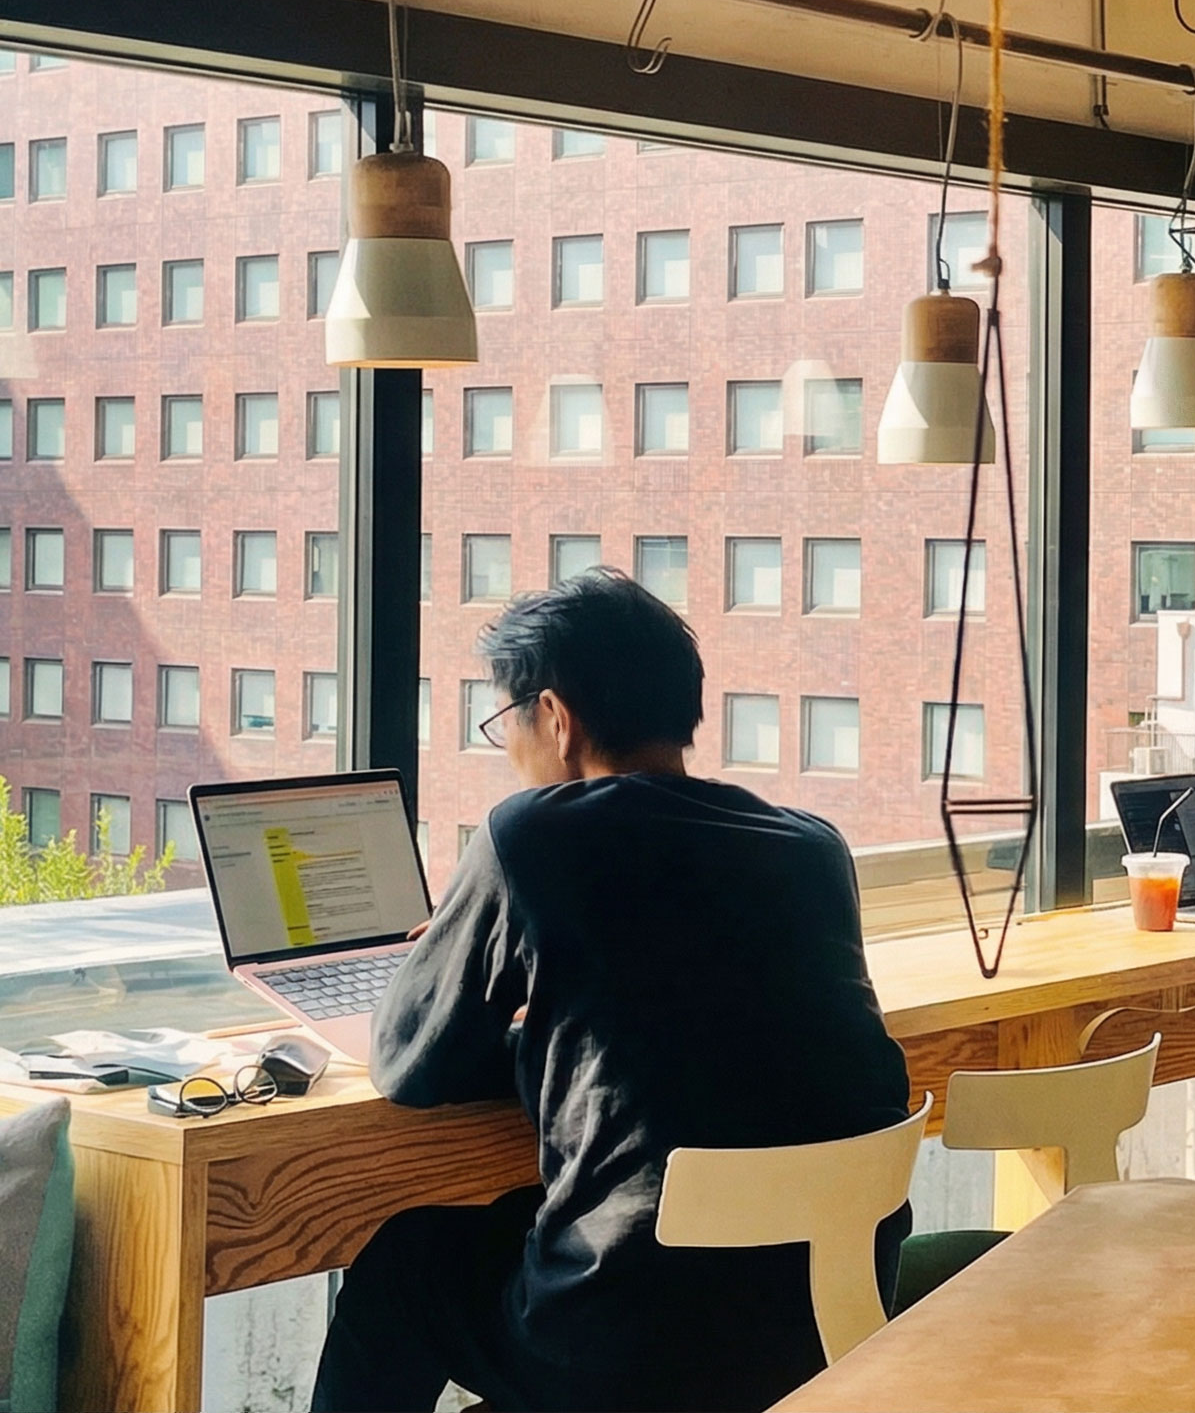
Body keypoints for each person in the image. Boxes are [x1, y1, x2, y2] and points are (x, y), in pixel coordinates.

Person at [310, 571, 915, 1413]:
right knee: (529, 1219)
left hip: (630, 1337)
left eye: (504, 724)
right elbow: (687, 1021)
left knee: (406, 1262)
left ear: (555, 718)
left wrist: (453, 962)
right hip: (825, 1307)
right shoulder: (812, 844)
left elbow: (409, 1066)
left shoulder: (530, 832)